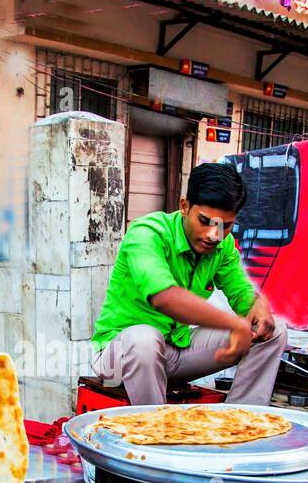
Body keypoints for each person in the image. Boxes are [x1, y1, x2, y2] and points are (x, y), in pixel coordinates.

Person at [90, 162, 287, 406]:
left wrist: (257, 305)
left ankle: (242, 423)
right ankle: (156, 436)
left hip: (175, 352)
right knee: (144, 339)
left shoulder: (223, 246)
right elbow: (165, 298)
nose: (214, 235)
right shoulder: (147, 233)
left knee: (273, 328)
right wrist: (235, 324)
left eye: (226, 225)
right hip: (119, 360)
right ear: (184, 206)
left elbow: (241, 293)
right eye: (205, 221)